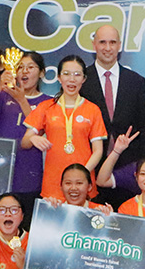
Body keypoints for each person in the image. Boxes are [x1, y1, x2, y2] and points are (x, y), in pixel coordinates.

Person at [40, 164, 117, 269]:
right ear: (61, 186)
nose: (73, 188)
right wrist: (47, 216)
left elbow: (113, 256)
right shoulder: (52, 210)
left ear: (89, 187)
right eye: (68, 183)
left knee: (99, 262)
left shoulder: (101, 213)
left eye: (79, 183)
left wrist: (109, 225)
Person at [80, 25, 145, 206]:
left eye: (112, 42)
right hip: (90, 167)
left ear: (119, 45)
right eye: (102, 42)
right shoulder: (81, 80)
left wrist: (139, 167)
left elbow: (143, 127)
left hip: (126, 170)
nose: (107, 47)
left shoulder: (136, 81)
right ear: (94, 44)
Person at [22, 55, 106, 200]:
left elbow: (98, 151)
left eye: (77, 74)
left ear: (84, 79)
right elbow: (25, 142)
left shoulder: (92, 109)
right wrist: (33, 137)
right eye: (66, 74)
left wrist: (82, 175)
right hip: (53, 182)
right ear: (59, 78)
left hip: (83, 183)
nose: (71, 79)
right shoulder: (46, 107)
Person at [0, 51, 52, 229]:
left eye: (31, 67)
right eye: (20, 67)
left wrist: (22, 101)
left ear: (42, 73)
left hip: (30, 173)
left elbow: (41, 131)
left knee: (26, 228)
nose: (25, 72)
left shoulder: (48, 102)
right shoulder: (4, 96)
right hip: (2, 172)